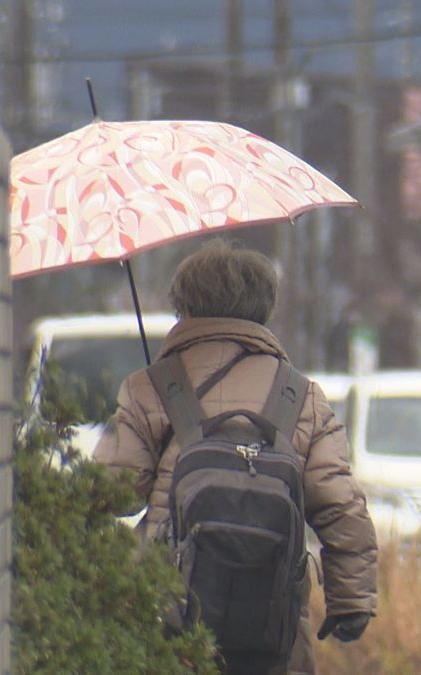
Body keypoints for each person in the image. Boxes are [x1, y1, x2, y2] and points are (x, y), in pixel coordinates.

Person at [95, 239, 378, 674]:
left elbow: (112, 492)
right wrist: (350, 601)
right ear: (264, 309)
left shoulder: (149, 386)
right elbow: (341, 504)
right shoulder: (300, 396)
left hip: (168, 619)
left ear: (183, 307)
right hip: (272, 630)